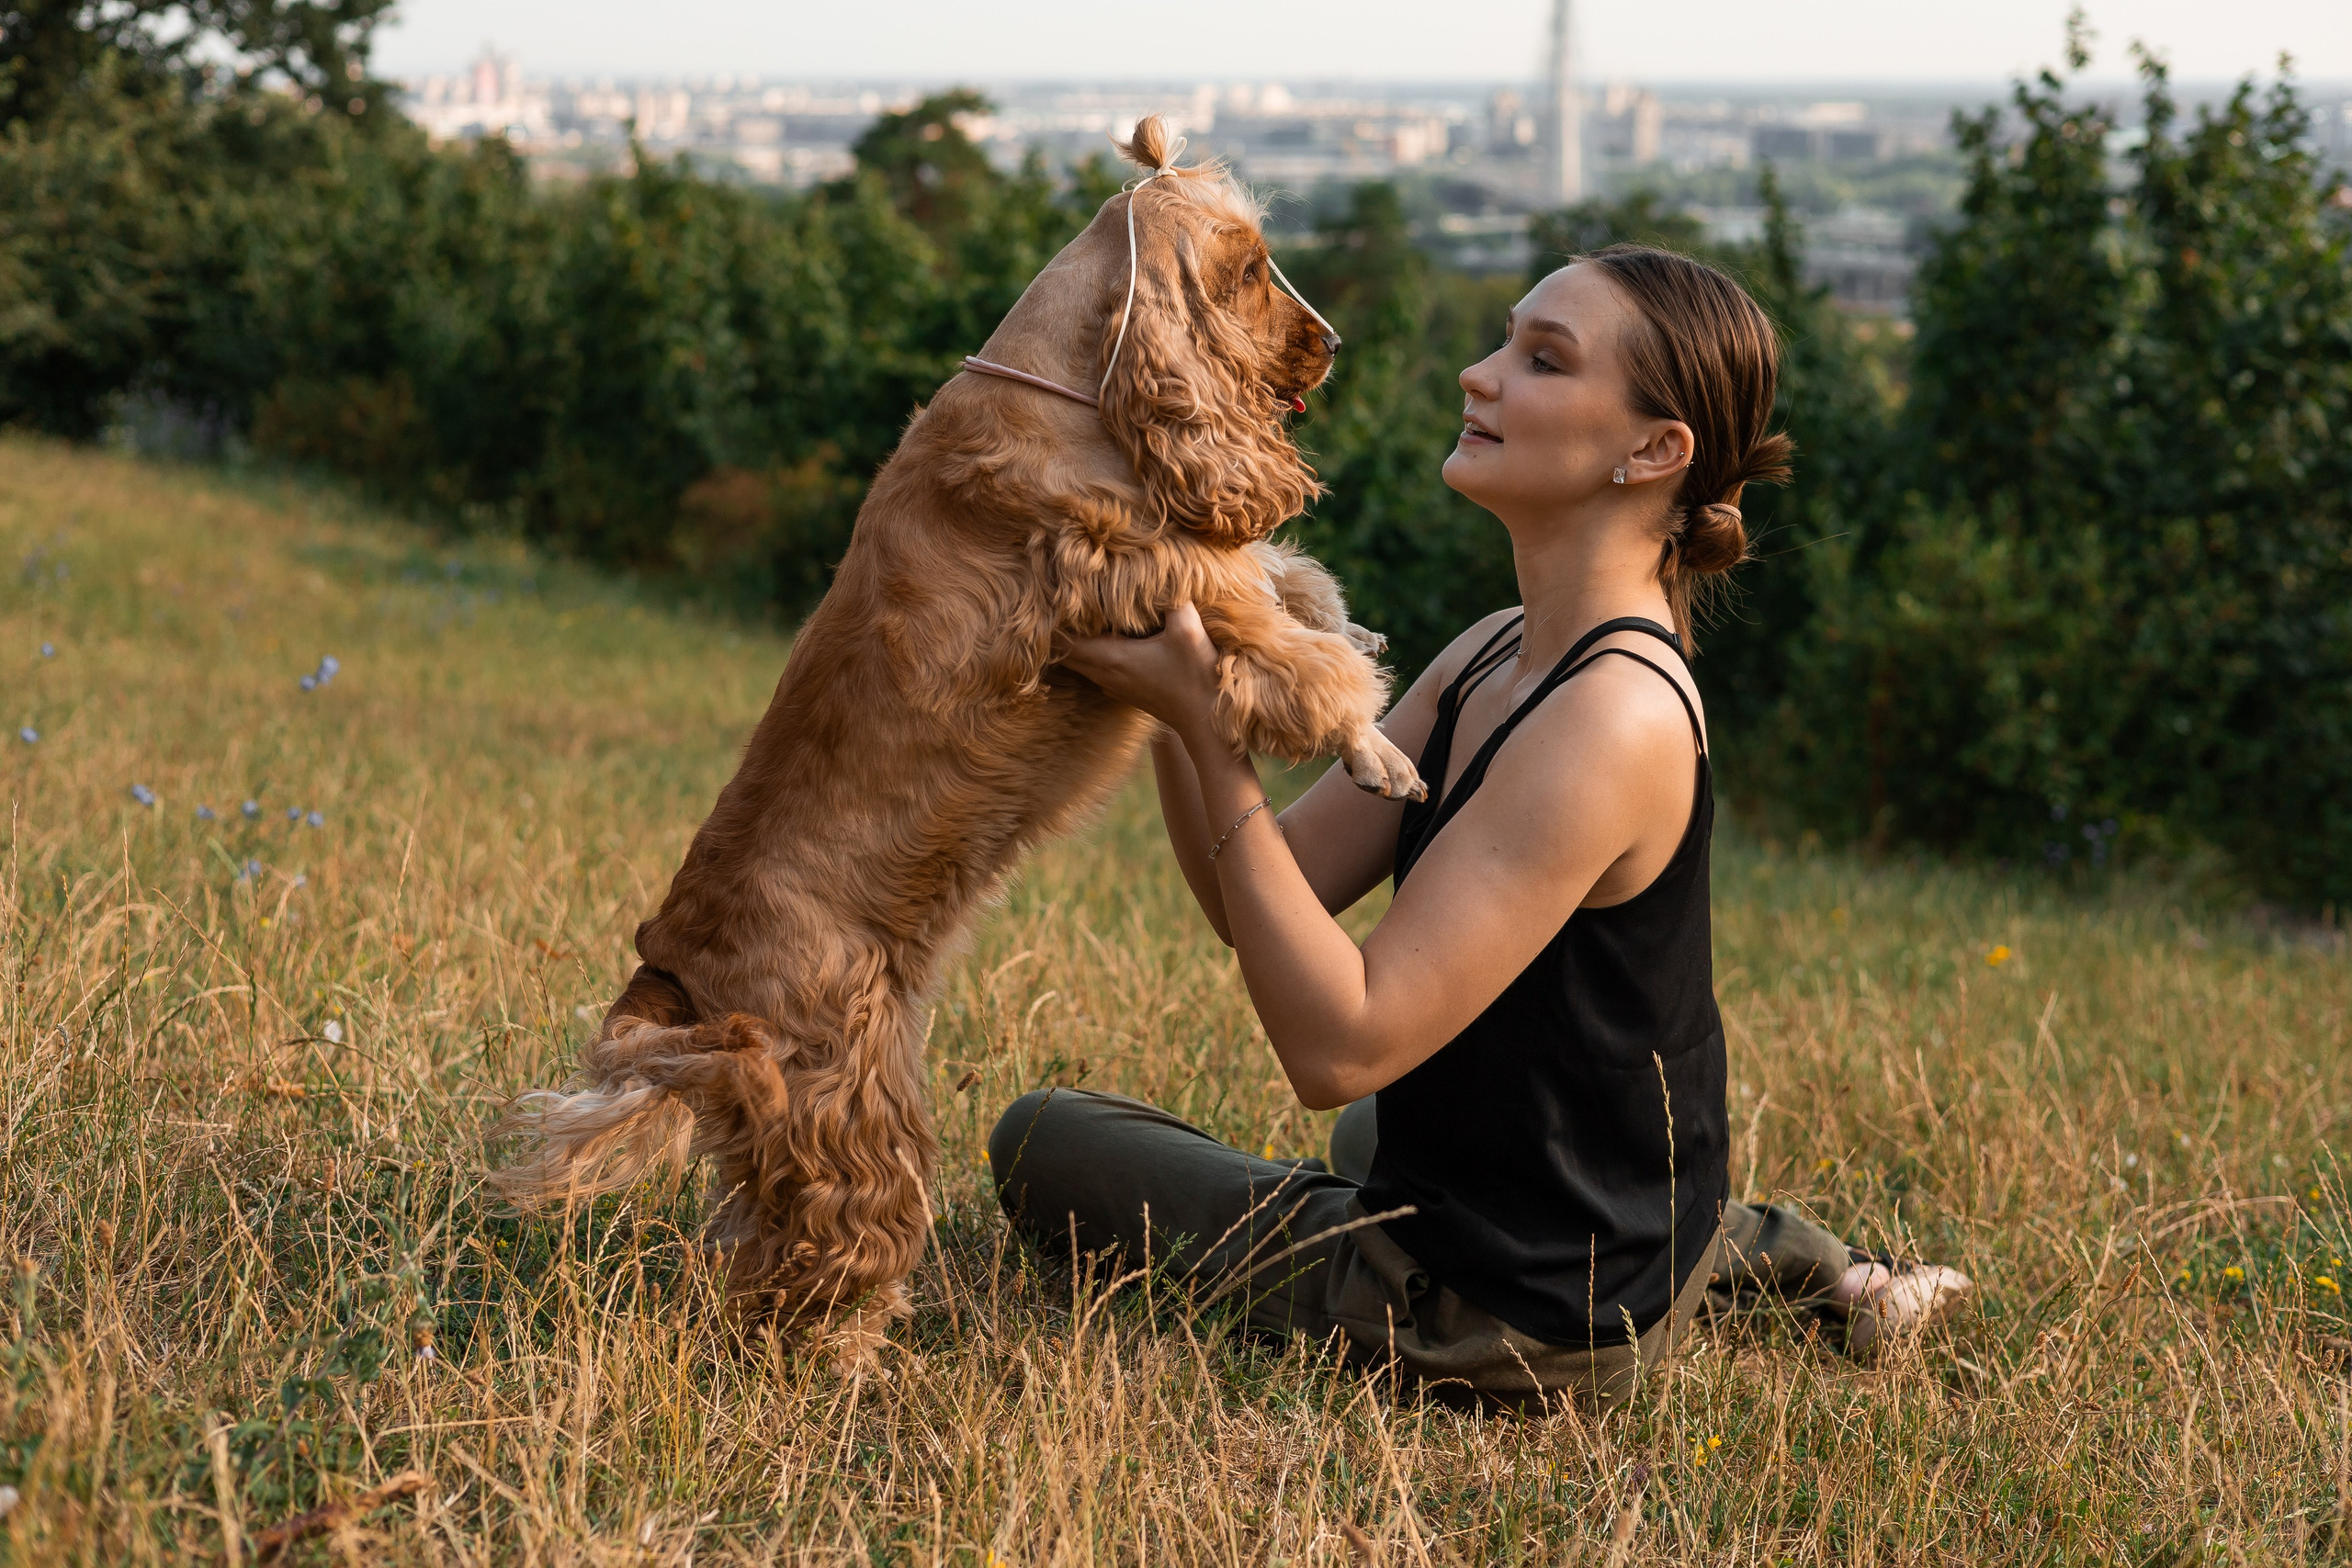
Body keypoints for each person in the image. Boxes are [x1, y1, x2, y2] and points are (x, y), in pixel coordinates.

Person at [988, 245, 1969, 1412]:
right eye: (1504, 341)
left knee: (1043, 1134)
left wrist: (1207, 735)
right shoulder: (1498, 646)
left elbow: (1334, 1045)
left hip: (1504, 1312)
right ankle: (1815, 1270)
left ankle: (1770, 1269)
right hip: (1614, 1210)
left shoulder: (1610, 716)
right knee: (1375, 1131)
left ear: (1653, 451)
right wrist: (1172, 685)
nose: (1478, 374)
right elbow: (1261, 895)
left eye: (1540, 361)